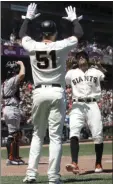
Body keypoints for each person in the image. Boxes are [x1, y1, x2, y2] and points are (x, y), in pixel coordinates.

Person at [19, 3, 83, 184]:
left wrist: (28, 18)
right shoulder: (61, 45)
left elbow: (22, 35)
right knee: (55, 137)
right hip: (56, 91)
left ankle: (31, 174)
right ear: (54, 32)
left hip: (39, 92)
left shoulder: (33, 45)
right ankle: (53, 177)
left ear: (41, 33)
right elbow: (78, 34)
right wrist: (73, 21)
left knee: (38, 135)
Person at [65, 51, 107, 174]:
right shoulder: (72, 72)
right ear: (76, 61)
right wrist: (67, 67)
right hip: (77, 104)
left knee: (98, 134)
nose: (81, 58)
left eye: (83, 56)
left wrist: (100, 67)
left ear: (88, 59)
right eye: (79, 57)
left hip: (93, 104)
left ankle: (98, 162)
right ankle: (74, 163)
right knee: (73, 131)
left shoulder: (95, 71)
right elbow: (64, 81)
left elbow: (107, 77)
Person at [2, 61, 25, 165]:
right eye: (15, 70)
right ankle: (11, 158)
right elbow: (22, 74)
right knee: (13, 135)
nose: (16, 72)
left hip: (9, 108)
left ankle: (15, 157)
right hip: (11, 109)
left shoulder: (4, 83)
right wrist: (21, 64)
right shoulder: (11, 81)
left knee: (16, 135)